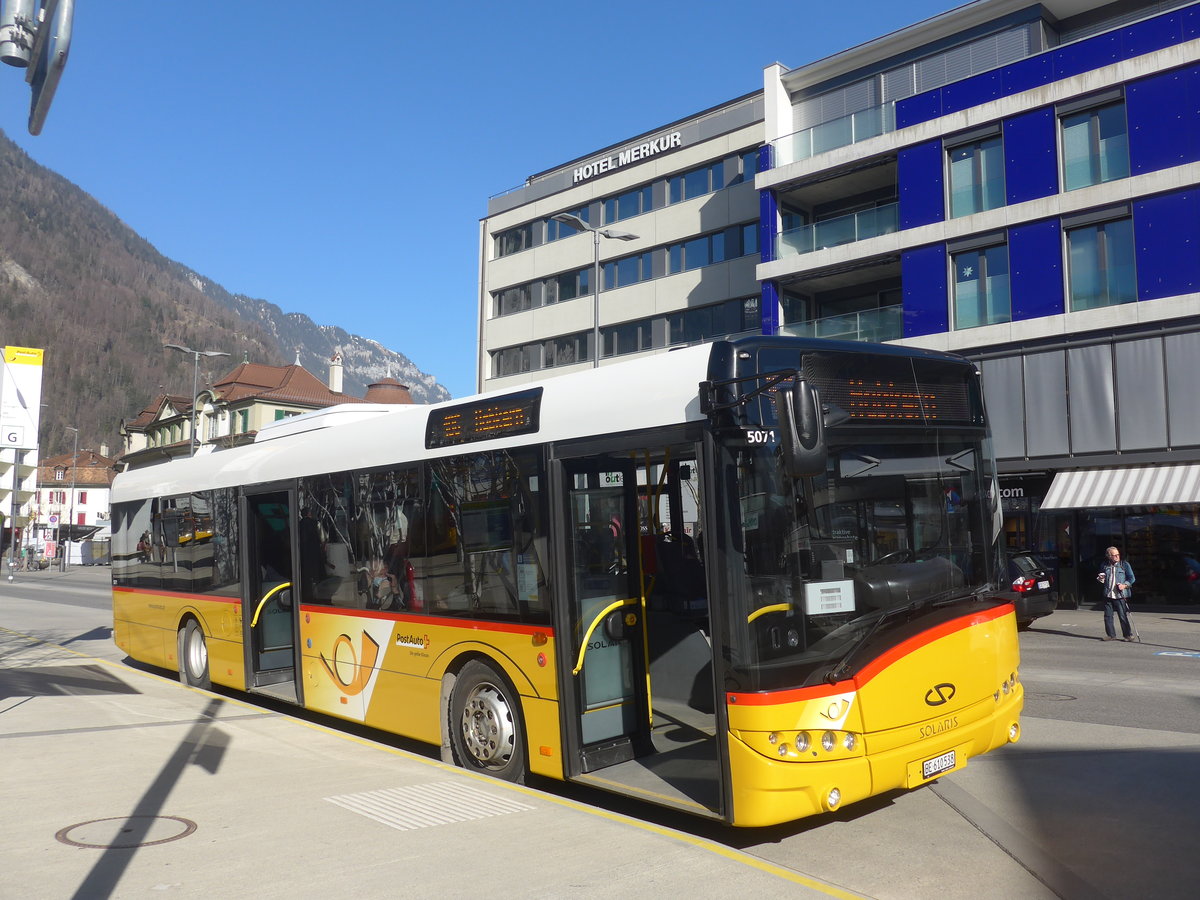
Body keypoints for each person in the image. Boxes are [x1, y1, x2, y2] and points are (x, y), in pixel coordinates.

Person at [1097, 546, 1135, 641]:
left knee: (1122, 616)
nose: (1117, 557)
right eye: (1114, 555)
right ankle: (1111, 635)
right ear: (1109, 556)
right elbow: (1102, 578)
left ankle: (1128, 635)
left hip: (1120, 595)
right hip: (1108, 594)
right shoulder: (1104, 565)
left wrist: (1124, 585)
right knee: (1108, 616)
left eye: (1118, 554)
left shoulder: (1124, 564)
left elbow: (1132, 578)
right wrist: (1101, 579)